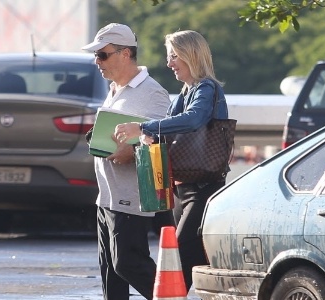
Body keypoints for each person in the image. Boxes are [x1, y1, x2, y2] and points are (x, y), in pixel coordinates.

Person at [114, 30, 229, 293]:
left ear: (192, 55)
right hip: (184, 188)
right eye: (169, 57)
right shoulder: (186, 91)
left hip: (204, 189)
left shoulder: (206, 88)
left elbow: (192, 120)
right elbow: (166, 127)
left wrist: (145, 129)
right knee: (185, 262)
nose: (169, 63)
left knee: (176, 261)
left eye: (174, 56)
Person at [81, 23, 170, 300]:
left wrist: (130, 152)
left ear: (126, 54)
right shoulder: (115, 88)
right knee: (111, 274)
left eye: (103, 55)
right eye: (96, 55)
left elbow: (163, 141)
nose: (97, 61)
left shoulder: (152, 92)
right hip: (107, 195)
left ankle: (171, 297)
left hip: (132, 196)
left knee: (128, 264)